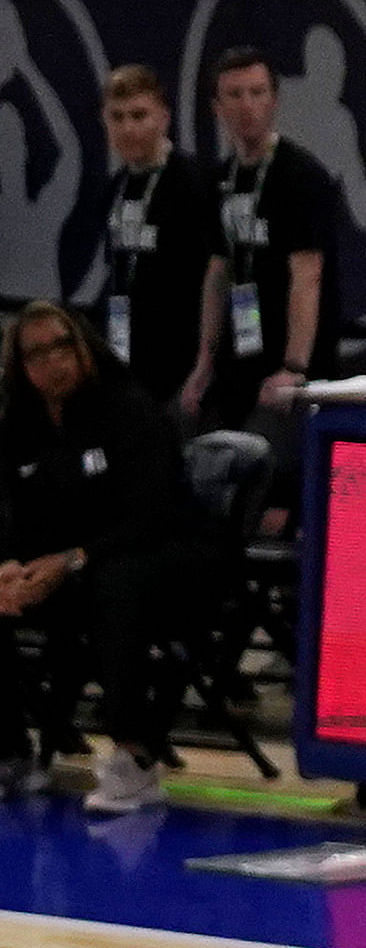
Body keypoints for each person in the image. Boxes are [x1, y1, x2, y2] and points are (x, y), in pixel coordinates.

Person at [0, 301, 210, 814]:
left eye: (62, 345)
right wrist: (7, 565)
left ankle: (135, 759)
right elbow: (8, 509)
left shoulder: (128, 408)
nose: (55, 361)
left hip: (158, 560)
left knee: (114, 586)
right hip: (62, 567)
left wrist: (73, 559)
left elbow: (153, 516)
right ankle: (9, 750)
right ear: (22, 368)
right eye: (38, 353)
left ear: (83, 346)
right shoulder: (18, 425)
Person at [77, 66, 225, 418]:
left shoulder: (194, 183)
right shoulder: (113, 189)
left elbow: (217, 276)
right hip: (125, 363)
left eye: (139, 116)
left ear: (163, 117)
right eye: (118, 117)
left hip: (181, 366)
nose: (128, 128)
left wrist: (206, 361)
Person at [206, 48, 335, 430]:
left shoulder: (301, 176)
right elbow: (217, 272)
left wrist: (293, 367)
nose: (248, 106)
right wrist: (204, 361)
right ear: (217, 106)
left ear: (274, 100)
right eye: (235, 95)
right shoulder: (222, 178)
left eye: (257, 93)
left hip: (291, 370)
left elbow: (307, 276)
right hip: (239, 361)